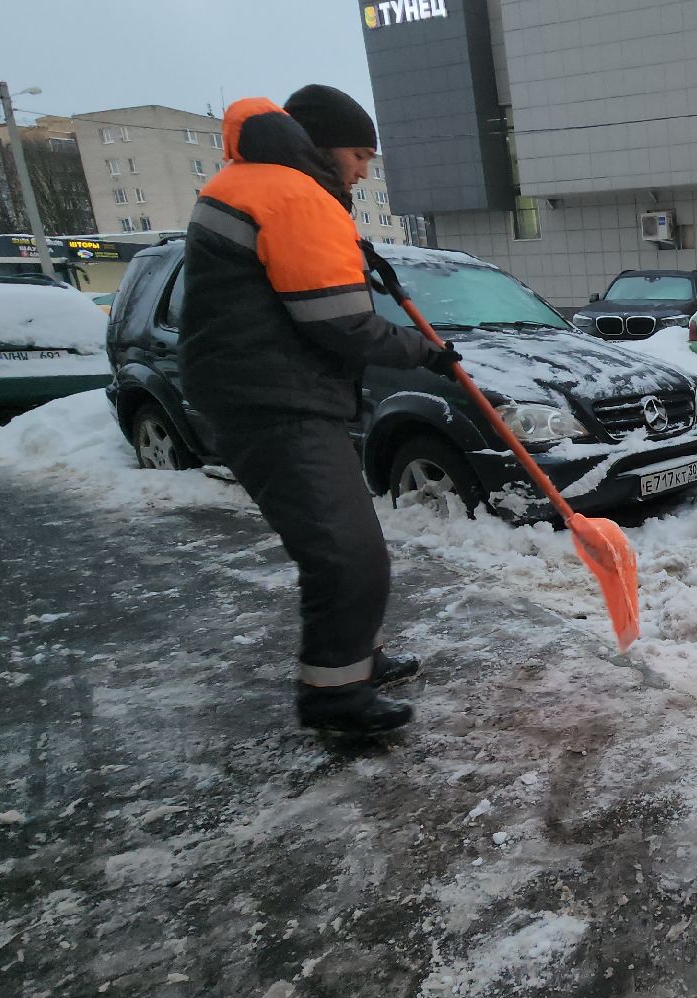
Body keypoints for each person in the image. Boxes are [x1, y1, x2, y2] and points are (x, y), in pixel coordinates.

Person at [179, 86, 455, 735]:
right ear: (326, 146)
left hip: (270, 392)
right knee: (346, 553)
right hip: (273, 399)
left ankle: (357, 658)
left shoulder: (264, 183)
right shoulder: (293, 193)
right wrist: (427, 352)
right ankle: (335, 699)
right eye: (359, 155)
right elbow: (342, 325)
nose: (363, 170)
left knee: (349, 541)